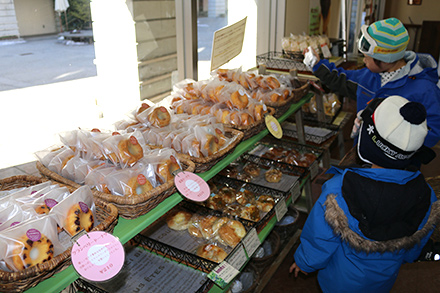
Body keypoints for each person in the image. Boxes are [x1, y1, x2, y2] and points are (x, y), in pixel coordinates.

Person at [289, 95, 440, 292]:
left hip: (340, 283)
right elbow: (415, 244)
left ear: (367, 141)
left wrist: (304, 262)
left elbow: (320, 237)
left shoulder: (338, 190)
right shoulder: (426, 195)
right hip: (382, 281)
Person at [306, 17, 440, 148]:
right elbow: (341, 79)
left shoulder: (424, 90)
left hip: (397, 166)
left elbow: (432, 132)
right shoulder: (369, 76)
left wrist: (382, 132)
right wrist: (317, 65)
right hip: (363, 152)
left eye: (366, 57)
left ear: (385, 59)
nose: (364, 61)